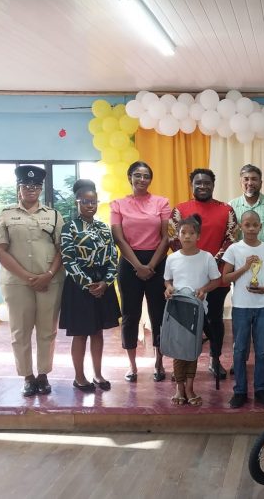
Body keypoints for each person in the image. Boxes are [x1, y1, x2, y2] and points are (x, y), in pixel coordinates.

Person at [0, 165, 65, 396]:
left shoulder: (53, 215)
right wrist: (29, 277)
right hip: (17, 284)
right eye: (26, 185)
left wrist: (48, 275)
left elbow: (63, 249)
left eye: (36, 185)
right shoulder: (6, 214)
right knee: (20, 331)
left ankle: (43, 375)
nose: (31, 189)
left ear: (41, 188)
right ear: (19, 188)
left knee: (47, 330)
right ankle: (27, 376)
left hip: (50, 282)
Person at [168, 168, 237, 380]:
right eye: (198, 183)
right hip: (187, 280)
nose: (203, 186)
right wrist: (196, 263)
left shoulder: (226, 210)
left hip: (216, 280)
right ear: (192, 185)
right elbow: (173, 238)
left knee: (215, 321)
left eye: (207, 183)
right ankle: (182, 363)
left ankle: (215, 360)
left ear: (213, 185)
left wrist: (211, 264)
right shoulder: (180, 210)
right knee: (184, 322)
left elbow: (231, 239)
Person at [110, 161, 170, 383]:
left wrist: (151, 266)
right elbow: (118, 238)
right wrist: (138, 266)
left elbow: (166, 237)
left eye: (146, 176)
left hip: (157, 261)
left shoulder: (161, 202)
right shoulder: (118, 204)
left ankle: (159, 362)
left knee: (159, 315)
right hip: (129, 263)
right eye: (137, 175)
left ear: (150, 180)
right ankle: (132, 365)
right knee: (130, 315)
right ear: (129, 178)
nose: (142, 180)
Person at [59, 179, 120, 392]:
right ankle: (79, 376)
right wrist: (89, 284)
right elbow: (68, 259)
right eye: (86, 201)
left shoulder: (104, 228)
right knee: (81, 333)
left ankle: (98, 374)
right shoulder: (69, 228)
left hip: (103, 284)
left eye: (94, 201)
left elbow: (114, 256)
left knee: (98, 332)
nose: (90, 205)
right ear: (77, 202)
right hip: (79, 286)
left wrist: (105, 282)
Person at [222, 210, 264, 408]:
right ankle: (239, 391)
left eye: (255, 225)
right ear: (240, 227)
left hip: (262, 306)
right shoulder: (234, 249)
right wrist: (245, 267)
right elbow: (226, 277)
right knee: (239, 350)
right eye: (247, 225)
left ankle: (261, 390)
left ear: (260, 227)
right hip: (241, 306)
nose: (251, 228)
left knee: (262, 350)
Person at [163, 214, 221, 406]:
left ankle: (190, 387)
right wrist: (169, 288)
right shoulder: (172, 258)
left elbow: (216, 281)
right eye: (183, 232)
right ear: (178, 235)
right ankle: (180, 389)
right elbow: (167, 280)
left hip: (197, 310)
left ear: (198, 236)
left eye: (191, 233)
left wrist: (204, 289)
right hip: (177, 309)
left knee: (192, 349)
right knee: (179, 350)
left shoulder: (206, 258)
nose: (187, 236)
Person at [229, 164, 264, 372]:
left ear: (261, 181)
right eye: (246, 179)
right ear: (241, 182)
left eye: (254, 179)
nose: (250, 182)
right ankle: (238, 358)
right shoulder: (231, 206)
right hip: (241, 270)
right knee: (240, 316)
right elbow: (230, 237)